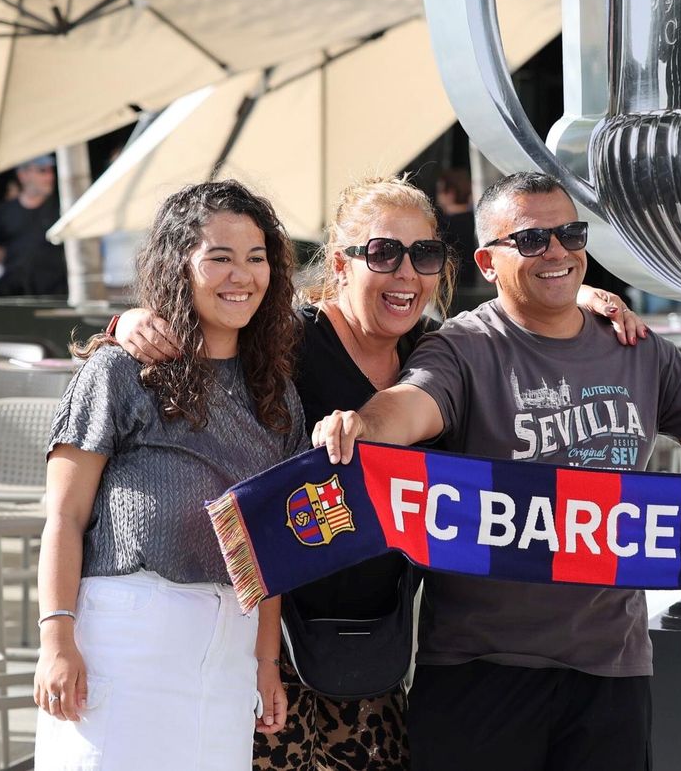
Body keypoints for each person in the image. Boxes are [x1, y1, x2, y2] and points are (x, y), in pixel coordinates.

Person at [312, 171, 681, 771]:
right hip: (481, 671)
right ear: (487, 262)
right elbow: (413, 402)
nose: (556, 252)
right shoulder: (463, 347)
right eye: (530, 240)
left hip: (611, 670)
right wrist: (365, 427)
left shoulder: (637, 348)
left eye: (570, 234)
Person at [110, 175, 645, 771]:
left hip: (378, 650)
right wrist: (130, 321)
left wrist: (589, 301)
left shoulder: (439, 351)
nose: (406, 273)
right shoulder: (285, 340)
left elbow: (523, 332)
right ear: (342, 264)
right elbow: (207, 322)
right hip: (270, 643)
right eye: (384, 253)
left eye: (424, 255)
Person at [34, 181, 307, 771]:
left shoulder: (277, 393)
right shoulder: (120, 370)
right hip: (126, 637)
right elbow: (63, 514)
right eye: (220, 258)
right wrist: (56, 638)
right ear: (177, 266)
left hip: (230, 649)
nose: (243, 276)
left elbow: (271, 544)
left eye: (257, 258)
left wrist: (265, 664)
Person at [0, 154, 66, 298]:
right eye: (42, 171)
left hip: (55, 294)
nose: (49, 177)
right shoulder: (5, 211)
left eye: (50, 171)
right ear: (23, 175)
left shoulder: (62, 209)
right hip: (14, 294)